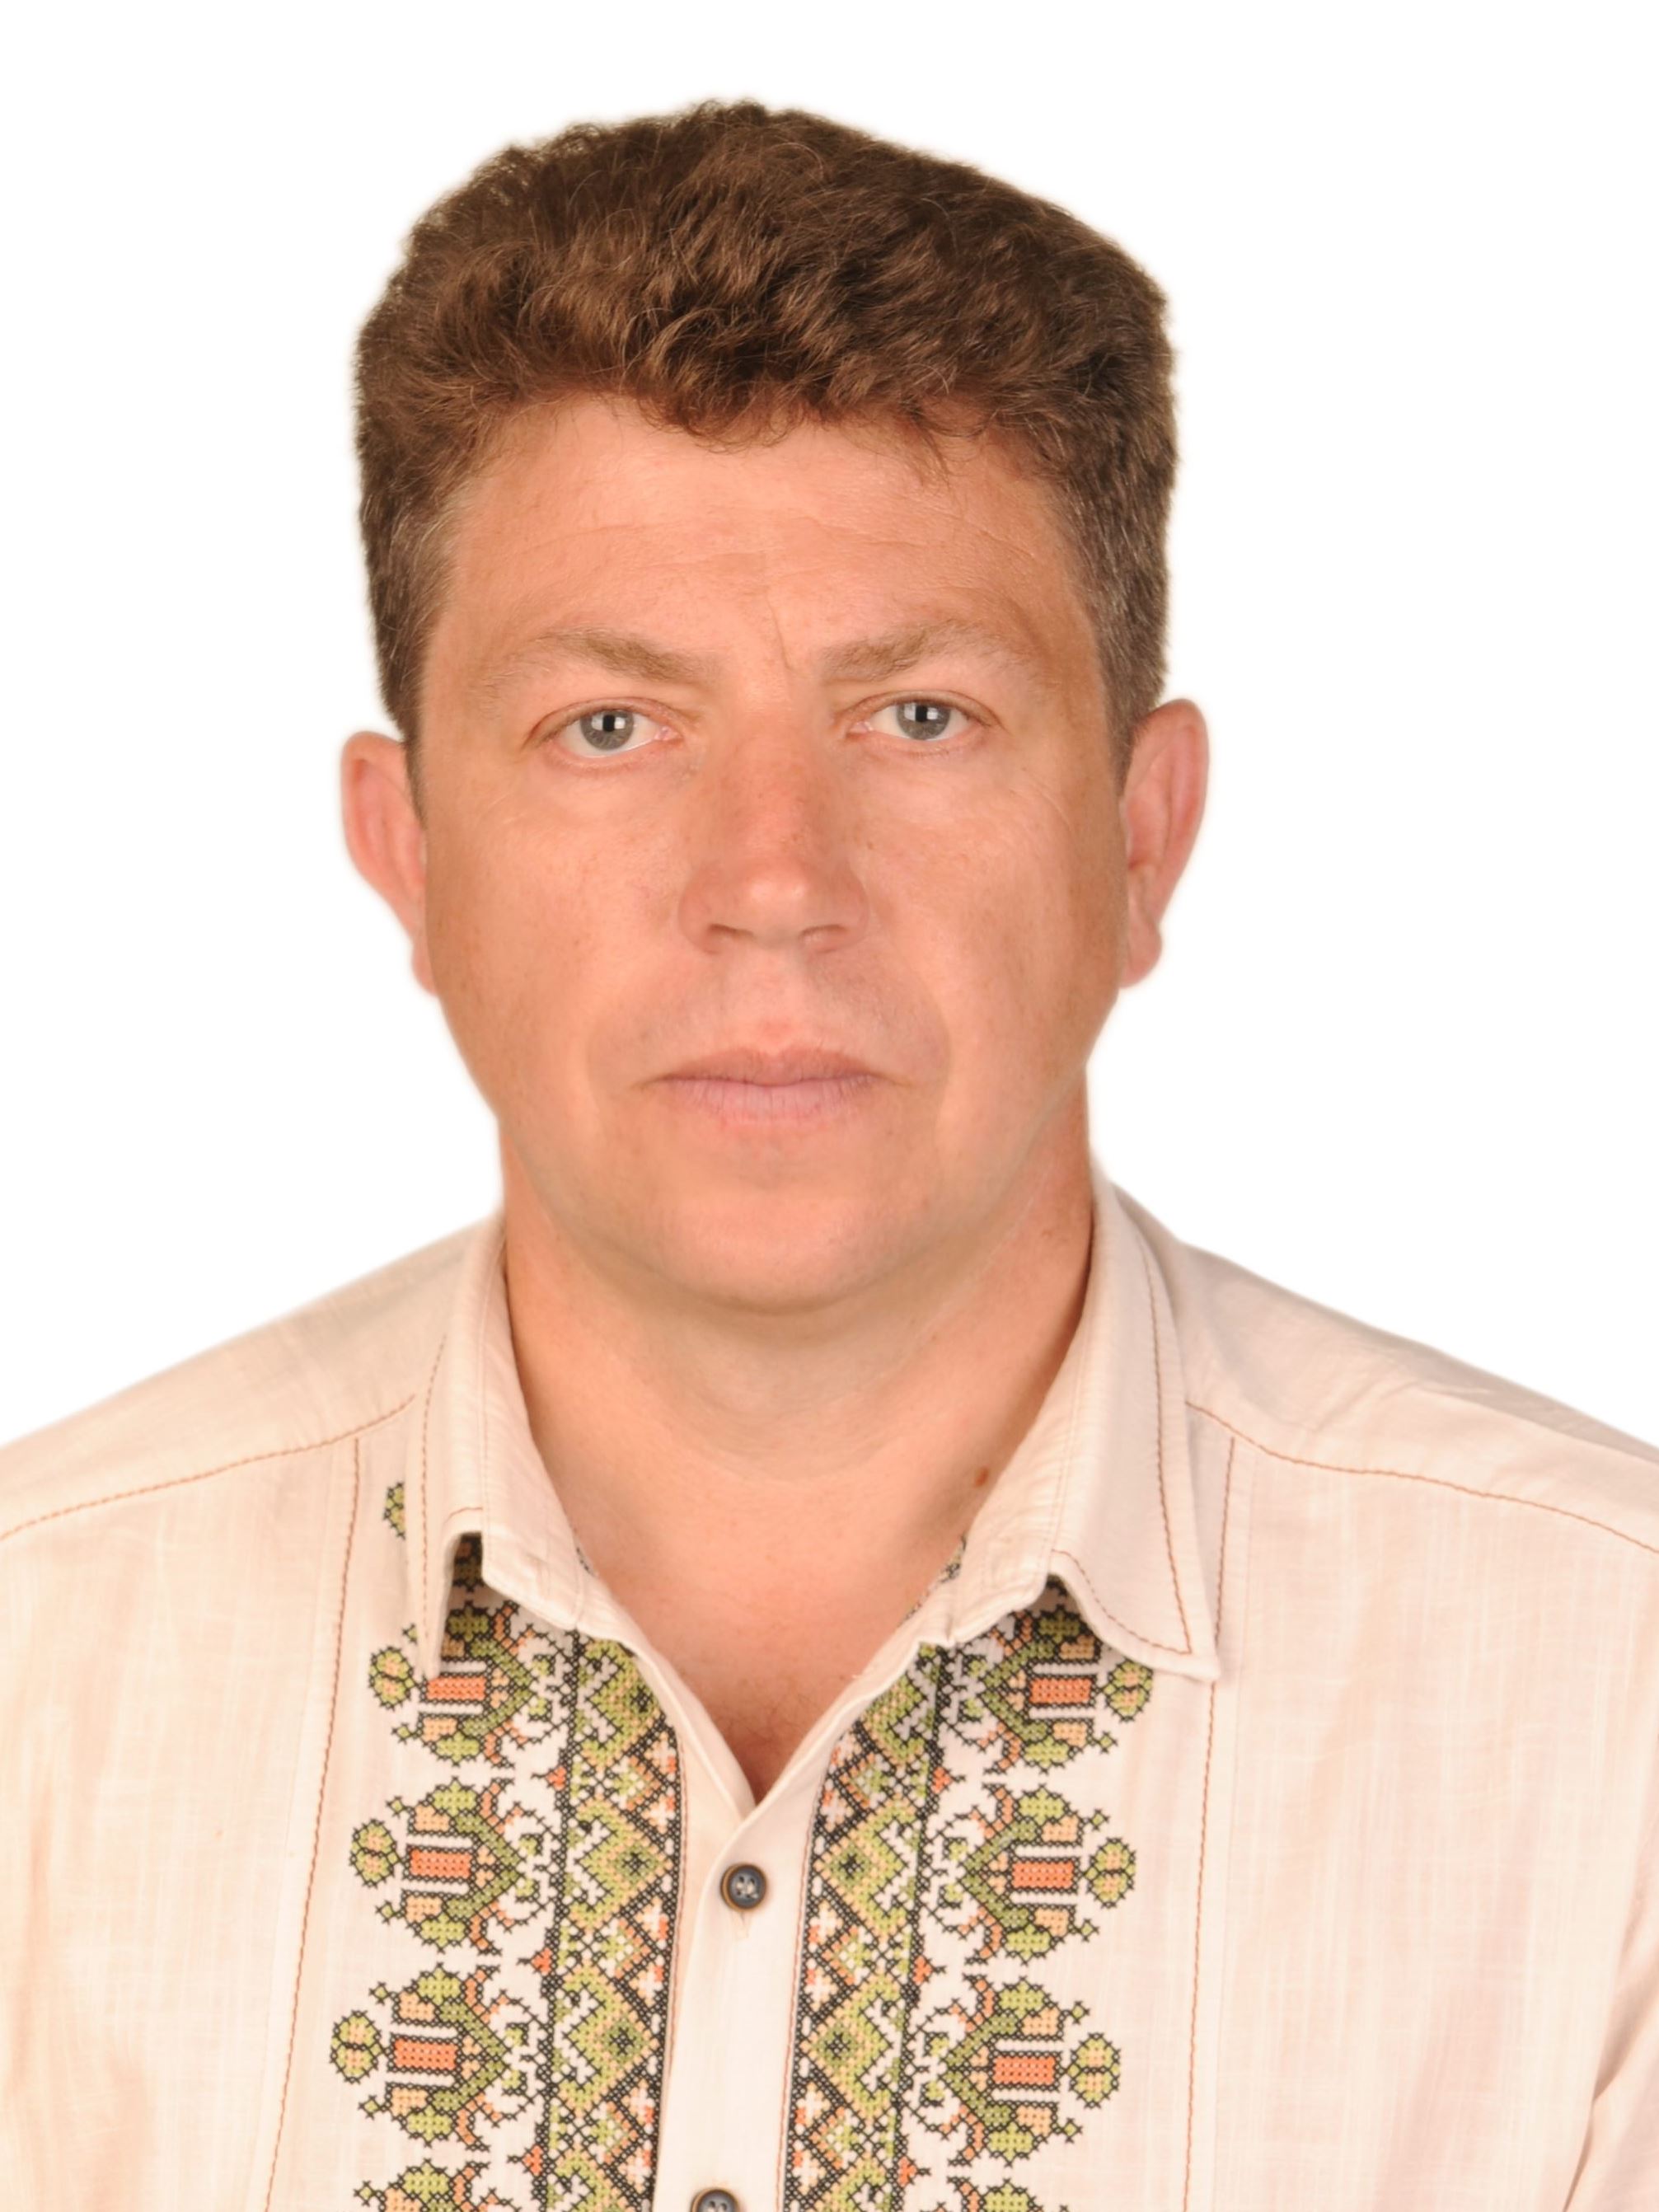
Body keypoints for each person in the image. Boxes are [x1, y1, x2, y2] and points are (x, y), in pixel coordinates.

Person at [2, 98, 1654, 2212]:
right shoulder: (35, 1668)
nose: (773, 882)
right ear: (406, 854)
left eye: (918, 717)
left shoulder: (1610, 1712)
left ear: (1138, 836)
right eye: (610, 727)